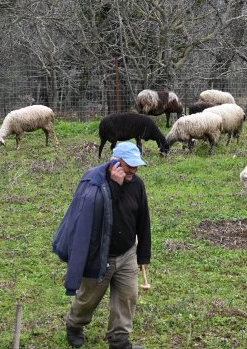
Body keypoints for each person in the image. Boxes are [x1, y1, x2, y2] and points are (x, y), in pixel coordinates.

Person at [52, 141, 151, 349]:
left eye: (136, 165)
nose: (134, 170)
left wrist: (143, 256)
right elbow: (93, 212)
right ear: (115, 162)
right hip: (99, 255)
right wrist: (115, 186)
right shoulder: (95, 182)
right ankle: (75, 324)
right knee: (88, 298)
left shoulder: (137, 184)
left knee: (127, 298)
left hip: (126, 253)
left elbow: (143, 220)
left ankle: (119, 340)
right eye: (129, 165)